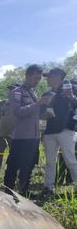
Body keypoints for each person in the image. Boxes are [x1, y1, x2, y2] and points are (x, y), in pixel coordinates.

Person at [3, 64, 51, 194]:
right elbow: (18, 112)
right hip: (21, 137)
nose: (38, 81)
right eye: (36, 78)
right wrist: (38, 104)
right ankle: (7, 193)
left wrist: (45, 115)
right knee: (13, 167)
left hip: (33, 137)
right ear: (28, 76)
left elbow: (33, 113)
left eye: (39, 78)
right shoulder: (17, 92)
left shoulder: (33, 93)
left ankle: (23, 192)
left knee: (28, 167)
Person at [40, 68, 77, 198]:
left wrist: (71, 97)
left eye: (49, 76)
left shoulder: (71, 88)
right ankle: (48, 188)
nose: (47, 79)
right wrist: (44, 115)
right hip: (49, 132)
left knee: (70, 160)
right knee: (50, 162)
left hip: (66, 130)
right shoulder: (46, 94)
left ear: (57, 76)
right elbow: (41, 114)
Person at [0, 83, 19, 181]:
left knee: (14, 157)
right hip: (1, 134)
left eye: (14, 89)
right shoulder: (2, 103)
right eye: (10, 90)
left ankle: (13, 177)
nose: (11, 91)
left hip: (16, 136)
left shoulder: (22, 104)